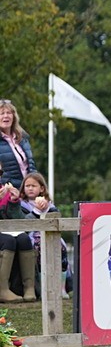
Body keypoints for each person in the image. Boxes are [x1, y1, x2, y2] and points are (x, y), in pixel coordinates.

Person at [0, 100, 38, 302]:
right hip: (7, 195)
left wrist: (34, 187)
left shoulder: (22, 138)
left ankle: (30, 288)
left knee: (27, 237)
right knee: (14, 236)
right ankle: (5, 289)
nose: (6, 116)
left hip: (24, 193)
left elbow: (31, 166)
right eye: (2, 113)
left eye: (9, 113)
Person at [20, 173, 71, 297]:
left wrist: (47, 209)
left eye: (33, 186)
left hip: (51, 235)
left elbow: (57, 220)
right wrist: (37, 211)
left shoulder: (50, 205)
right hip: (32, 237)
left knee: (61, 248)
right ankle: (43, 288)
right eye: (27, 186)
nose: (30, 188)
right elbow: (25, 223)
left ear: (42, 188)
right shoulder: (21, 205)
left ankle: (62, 286)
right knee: (39, 249)